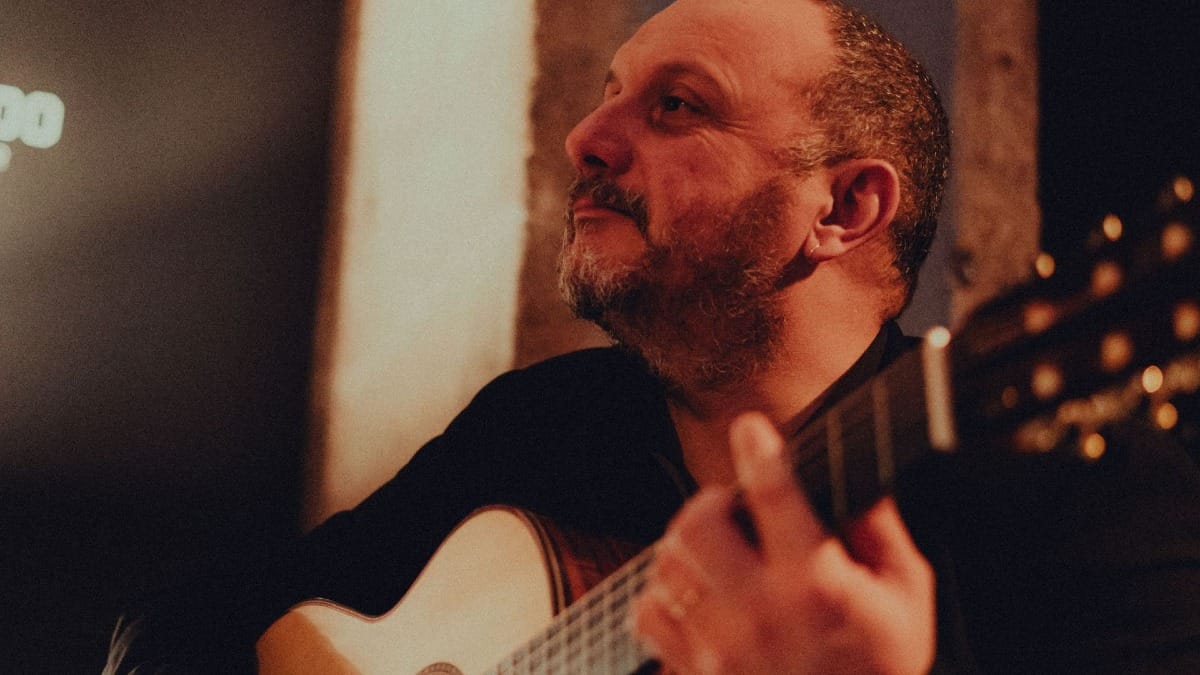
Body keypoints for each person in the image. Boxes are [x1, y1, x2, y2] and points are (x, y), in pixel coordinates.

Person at [107, 0, 1200, 672]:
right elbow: (185, 631)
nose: (587, 136)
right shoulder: (543, 427)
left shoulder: (1098, 501)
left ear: (846, 208)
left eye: (676, 106)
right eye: (608, 94)